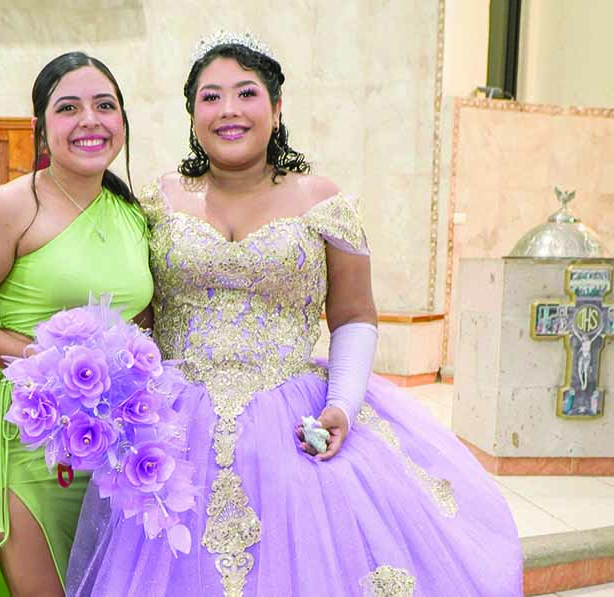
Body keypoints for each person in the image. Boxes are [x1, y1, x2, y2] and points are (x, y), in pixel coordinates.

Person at [66, 34, 523, 596]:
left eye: (246, 93)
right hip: (176, 426)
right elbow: (137, 307)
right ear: (192, 114)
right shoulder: (156, 200)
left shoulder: (322, 200)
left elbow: (354, 315)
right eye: (210, 97)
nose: (228, 110)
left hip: (293, 419)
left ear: (276, 108)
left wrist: (342, 404)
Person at [0, 52, 153, 596]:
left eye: (104, 106)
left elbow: (141, 317)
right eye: (68, 108)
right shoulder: (8, 208)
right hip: (26, 432)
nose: (89, 120)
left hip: (111, 439)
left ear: (123, 120)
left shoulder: (133, 214)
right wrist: (48, 365)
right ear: (41, 127)